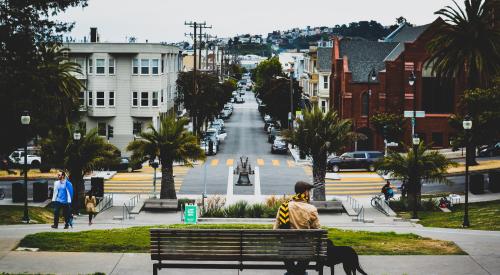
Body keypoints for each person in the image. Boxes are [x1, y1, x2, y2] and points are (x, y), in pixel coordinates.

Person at [274, 181, 320, 275]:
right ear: (306, 193)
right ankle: (298, 272)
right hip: (305, 250)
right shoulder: (311, 209)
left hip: (286, 250)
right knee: (303, 264)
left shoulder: (283, 207)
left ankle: (292, 272)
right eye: (309, 192)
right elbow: (317, 231)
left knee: (290, 267)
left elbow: (275, 230)